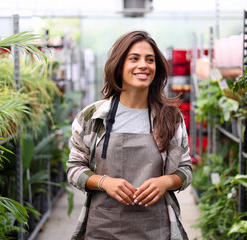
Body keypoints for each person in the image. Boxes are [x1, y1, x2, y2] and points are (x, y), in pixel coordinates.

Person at [67, 30, 192, 240]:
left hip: (156, 228)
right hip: (104, 228)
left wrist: (166, 182)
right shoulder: (93, 117)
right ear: (119, 65)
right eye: (134, 58)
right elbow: (74, 169)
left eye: (150, 60)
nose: (143, 65)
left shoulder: (170, 118)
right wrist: (104, 182)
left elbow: (186, 170)